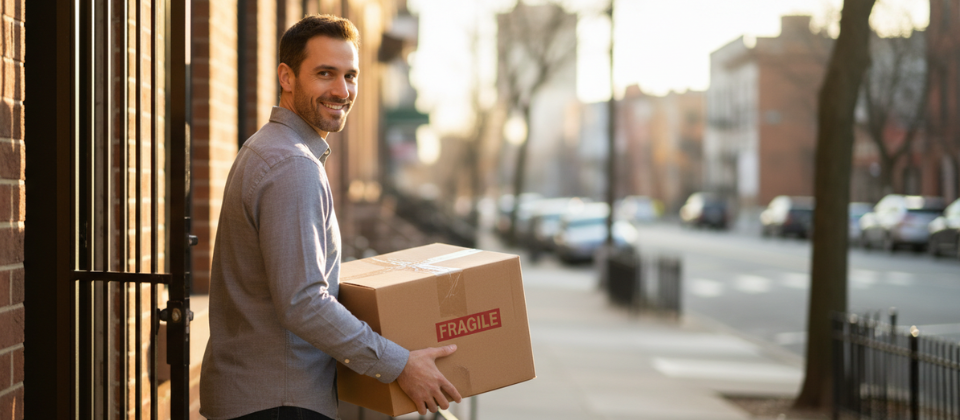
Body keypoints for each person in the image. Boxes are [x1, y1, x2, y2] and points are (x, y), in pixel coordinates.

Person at [199, 15, 461, 420]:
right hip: (278, 402)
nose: (342, 91)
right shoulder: (292, 165)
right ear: (286, 77)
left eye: (350, 76)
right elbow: (303, 302)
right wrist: (400, 364)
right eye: (325, 74)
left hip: (260, 396)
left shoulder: (268, 149)